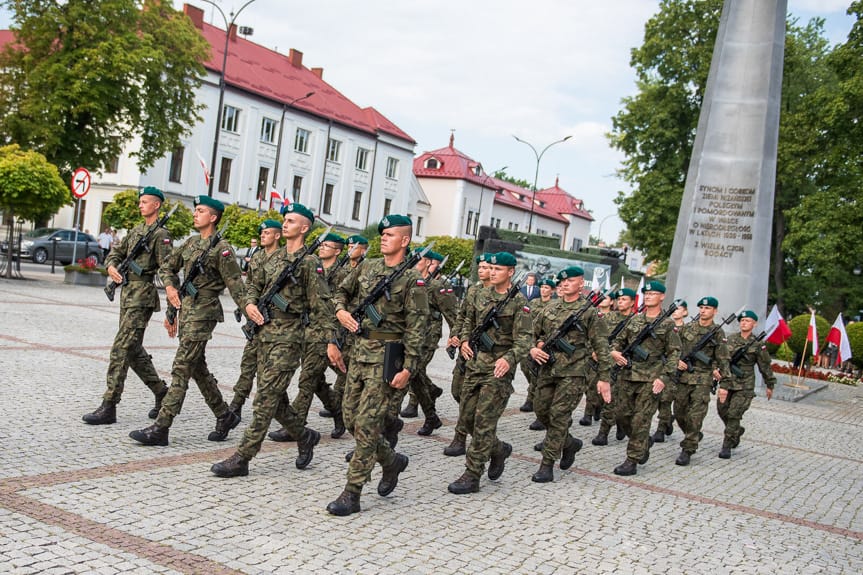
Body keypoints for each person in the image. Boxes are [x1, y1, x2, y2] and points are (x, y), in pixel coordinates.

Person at [211, 203, 333, 477]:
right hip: (263, 334)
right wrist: (249, 304)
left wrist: (329, 343)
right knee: (276, 401)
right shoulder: (273, 257)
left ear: (304, 228)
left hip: (288, 338)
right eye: (285, 220)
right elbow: (254, 284)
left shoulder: (310, 263)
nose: (285, 224)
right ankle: (305, 436)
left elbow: (321, 307)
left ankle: (242, 457)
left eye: (291, 221)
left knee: (265, 399)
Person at [325, 215, 428, 516]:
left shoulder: (413, 280)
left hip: (387, 358)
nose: (383, 237)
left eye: (390, 234)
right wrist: (340, 314)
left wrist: (408, 368)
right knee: (351, 419)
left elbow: (417, 329)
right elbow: (340, 292)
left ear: (405, 240)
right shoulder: (367, 267)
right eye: (382, 233)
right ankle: (392, 461)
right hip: (359, 352)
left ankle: (352, 492)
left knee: (368, 424)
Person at [129, 195, 246, 446]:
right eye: (196, 210)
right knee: (197, 367)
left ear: (213, 217)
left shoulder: (222, 249)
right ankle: (224, 415)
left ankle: (161, 427)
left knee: (181, 367)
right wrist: (170, 290)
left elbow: (236, 284)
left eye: (200, 211)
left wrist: (250, 311)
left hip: (205, 313)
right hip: (187, 310)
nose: (195, 214)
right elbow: (166, 267)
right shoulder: (191, 243)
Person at [82, 187, 171, 425]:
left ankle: (109, 405)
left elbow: (167, 268)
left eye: (145, 202)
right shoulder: (136, 231)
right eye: (140, 202)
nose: (140, 205)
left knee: (120, 348)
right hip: (128, 295)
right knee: (133, 351)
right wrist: (111, 266)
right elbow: (116, 253)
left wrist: (173, 297)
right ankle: (162, 391)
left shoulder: (161, 234)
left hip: (142, 297)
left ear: (156, 205)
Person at [447, 252, 532, 494]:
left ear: (510, 272)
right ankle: (499, 449)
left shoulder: (519, 303)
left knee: (483, 422)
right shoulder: (479, 294)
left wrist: (509, 359)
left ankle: (472, 475)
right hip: (474, 363)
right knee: (467, 418)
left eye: (498, 269)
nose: (492, 272)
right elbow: (468, 321)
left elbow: (525, 340)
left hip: (498, 369)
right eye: (491, 269)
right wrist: (464, 339)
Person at [528, 266, 611, 482]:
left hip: (574, 371)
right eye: (563, 281)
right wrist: (534, 348)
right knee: (541, 410)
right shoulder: (550, 308)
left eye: (570, 281)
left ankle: (547, 465)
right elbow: (531, 332)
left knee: (558, 415)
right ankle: (570, 443)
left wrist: (604, 378)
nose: (565, 284)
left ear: (581, 284)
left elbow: (601, 345)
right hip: (548, 368)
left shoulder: (589, 312)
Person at [269, 231, 345, 442]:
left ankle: (296, 425)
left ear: (337, 251)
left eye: (327, 246)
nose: (322, 248)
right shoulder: (310, 265)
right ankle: (338, 411)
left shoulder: (341, 274)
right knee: (316, 381)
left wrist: (333, 338)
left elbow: (339, 305)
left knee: (307, 379)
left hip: (323, 332)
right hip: (305, 329)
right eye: (322, 245)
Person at [609, 280, 681, 475]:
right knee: (622, 416)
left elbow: (674, 354)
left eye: (653, 294)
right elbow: (617, 341)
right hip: (628, 375)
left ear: (662, 297)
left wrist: (664, 378)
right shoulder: (634, 320)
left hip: (651, 378)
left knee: (641, 420)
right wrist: (614, 352)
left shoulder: (668, 324)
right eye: (646, 294)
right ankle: (642, 442)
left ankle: (632, 460)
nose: (648, 296)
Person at [227, 220, 283, 421]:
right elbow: (250, 284)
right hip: (256, 318)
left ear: (277, 235)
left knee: (269, 374)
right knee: (248, 365)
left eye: (267, 233)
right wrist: (246, 305)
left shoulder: (285, 258)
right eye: (262, 233)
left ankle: (281, 413)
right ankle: (236, 405)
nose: (262, 235)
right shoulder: (257, 256)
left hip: (276, 324)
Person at [399, 249, 457, 436]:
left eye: (420, 260)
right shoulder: (409, 280)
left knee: (411, 373)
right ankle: (431, 410)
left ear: (429, 263)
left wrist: (454, 338)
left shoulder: (437, 286)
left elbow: (452, 315)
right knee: (416, 376)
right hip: (410, 336)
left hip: (428, 337)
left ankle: (391, 418)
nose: (415, 262)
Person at [443, 253, 492, 457]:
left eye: (486, 267)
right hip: (467, 348)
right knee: (457, 391)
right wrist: (455, 336)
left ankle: (460, 438)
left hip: (486, 355)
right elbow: (462, 317)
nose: (481, 270)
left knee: (469, 398)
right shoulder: (473, 290)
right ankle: (471, 424)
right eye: (480, 267)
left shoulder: (502, 295)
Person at [673, 296, 730, 466]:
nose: (703, 311)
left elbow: (723, 358)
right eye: (701, 308)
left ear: (715, 311)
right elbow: (674, 347)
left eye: (707, 308)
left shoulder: (718, 332)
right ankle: (694, 433)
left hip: (703, 379)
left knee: (695, 416)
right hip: (684, 377)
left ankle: (688, 449)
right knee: (679, 412)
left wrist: (725, 384)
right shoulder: (688, 327)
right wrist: (677, 361)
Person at [320, 235, 369, 420]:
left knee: (343, 364)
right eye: (349, 246)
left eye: (354, 246)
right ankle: (339, 402)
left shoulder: (362, 270)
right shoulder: (343, 269)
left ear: (363, 250)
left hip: (352, 323)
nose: (351, 249)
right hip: (334, 320)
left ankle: (343, 402)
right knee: (337, 364)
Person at [716, 310, 776, 459]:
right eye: (742, 320)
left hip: (745, 384)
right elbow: (720, 357)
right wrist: (715, 370)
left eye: (747, 321)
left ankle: (727, 445)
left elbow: (764, 366)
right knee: (722, 409)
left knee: (734, 414)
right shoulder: (730, 339)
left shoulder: (758, 344)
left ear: (754, 324)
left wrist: (770, 384)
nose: (744, 323)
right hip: (728, 381)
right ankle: (736, 430)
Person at [592, 287, 638, 446]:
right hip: (608, 363)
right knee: (605, 398)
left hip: (627, 367)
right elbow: (597, 336)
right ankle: (611, 427)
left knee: (619, 402)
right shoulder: (608, 317)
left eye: (624, 299)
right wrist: (596, 351)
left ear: (632, 302)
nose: (620, 302)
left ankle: (608, 431)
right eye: (618, 299)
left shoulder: (637, 321)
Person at [520, 277, 557, 430]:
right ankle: (533, 394)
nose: (543, 290)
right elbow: (526, 320)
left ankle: (532, 401)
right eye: (542, 287)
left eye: (547, 288)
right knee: (525, 368)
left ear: (552, 291)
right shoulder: (533, 303)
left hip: (545, 344)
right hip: (532, 341)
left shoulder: (554, 305)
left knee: (540, 376)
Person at [652, 300, 688, 442]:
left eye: (678, 309)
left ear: (685, 312)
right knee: (659, 399)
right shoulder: (665, 326)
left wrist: (679, 360)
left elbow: (689, 349)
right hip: (662, 367)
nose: (675, 311)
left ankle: (661, 429)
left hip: (679, 373)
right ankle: (666, 421)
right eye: (673, 308)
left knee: (666, 399)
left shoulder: (688, 330)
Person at [580, 286, 614, 427]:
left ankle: (589, 413)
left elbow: (616, 338)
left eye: (606, 297)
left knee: (595, 385)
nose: (603, 299)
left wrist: (602, 352)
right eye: (601, 297)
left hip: (605, 356)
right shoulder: (592, 314)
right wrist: (591, 350)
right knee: (587, 385)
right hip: (588, 354)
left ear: (612, 302)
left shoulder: (615, 318)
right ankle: (594, 407)